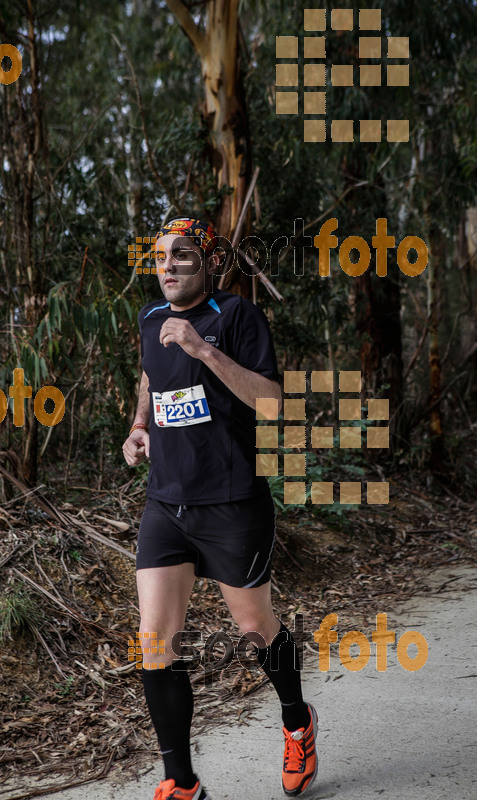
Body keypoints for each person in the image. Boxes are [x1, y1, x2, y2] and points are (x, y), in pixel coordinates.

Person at [123, 217, 318, 800]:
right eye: (160, 256)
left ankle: (296, 722)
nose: (167, 265)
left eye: (181, 254)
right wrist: (139, 426)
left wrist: (202, 348)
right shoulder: (150, 319)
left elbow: (274, 401)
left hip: (232, 501)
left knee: (255, 627)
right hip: (167, 501)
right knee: (155, 641)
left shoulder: (235, 316)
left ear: (208, 261)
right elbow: (149, 377)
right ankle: (181, 782)